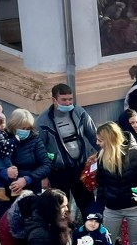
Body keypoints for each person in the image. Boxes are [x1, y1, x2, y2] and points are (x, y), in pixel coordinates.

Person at [95, 121, 137, 245]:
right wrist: (98, 209)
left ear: (110, 140)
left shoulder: (136, 153)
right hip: (112, 209)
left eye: (100, 140)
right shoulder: (101, 156)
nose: (97, 143)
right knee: (107, 244)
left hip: (135, 207)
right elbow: (101, 184)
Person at [36, 84, 98, 219]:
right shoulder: (43, 121)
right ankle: (66, 231)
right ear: (54, 100)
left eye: (70, 99)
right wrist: (43, 176)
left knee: (88, 204)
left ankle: (92, 229)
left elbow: (94, 136)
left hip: (80, 168)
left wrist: (106, 153)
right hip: (58, 171)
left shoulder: (79, 112)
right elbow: (39, 150)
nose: (68, 103)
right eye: (64, 100)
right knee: (60, 209)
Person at [0, 108, 52, 219]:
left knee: (30, 223)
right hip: (4, 193)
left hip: (29, 192)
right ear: (13, 126)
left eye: (28, 128)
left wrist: (27, 179)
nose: (25, 131)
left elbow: (46, 165)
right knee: (7, 224)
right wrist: (2, 173)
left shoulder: (35, 141)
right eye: (22, 128)